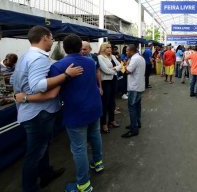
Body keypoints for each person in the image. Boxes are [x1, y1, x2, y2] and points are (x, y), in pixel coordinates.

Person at [18, 34, 103, 192]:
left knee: (79, 148)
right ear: (80, 47)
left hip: (76, 111)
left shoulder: (58, 66)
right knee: (95, 135)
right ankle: (98, 163)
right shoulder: (91, 62)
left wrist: (24, 97)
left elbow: (51, 92)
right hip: (94, 106)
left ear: (64, 48)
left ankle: (83, 185)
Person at [11, 25, 83, 192]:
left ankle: (45, 174)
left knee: (41, 148)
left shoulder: (25, 57)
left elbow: (17, 83)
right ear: (44, 37)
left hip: (31, 112)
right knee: (34, 153)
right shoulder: (39, 58)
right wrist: (65, 75)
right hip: (39, 113)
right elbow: (39, 85)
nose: (52, 42)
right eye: (51, 38)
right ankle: (30, 188)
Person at [122, 44, 146, 138]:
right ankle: (136, 123)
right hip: (138, 86)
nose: (126, 52)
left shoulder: (135, 59)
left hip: (134, 87)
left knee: (132, 107)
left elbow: (128, 71)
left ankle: (134, 129)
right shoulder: (139, 57)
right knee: (137, 106)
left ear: (131, 51)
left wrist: (124, 65)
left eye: (127, 51)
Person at [98, 43, 121, 133]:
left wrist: (114, 69)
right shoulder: (100, 57)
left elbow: (121, 65)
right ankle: (103, 123)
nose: (109, 49)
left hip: (113, 80)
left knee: (112, 101)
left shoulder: (113, 57)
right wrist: (115, 69)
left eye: (110, 47)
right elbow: (105, 70)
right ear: (103, 49)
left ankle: (112, 120)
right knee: (105, 103)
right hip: (106, 82)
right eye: (107, 47)